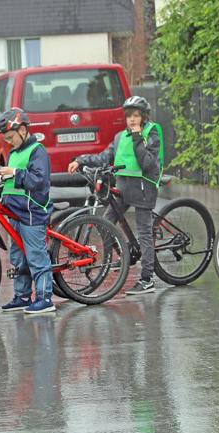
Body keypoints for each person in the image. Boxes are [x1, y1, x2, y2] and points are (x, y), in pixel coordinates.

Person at [67, 95, 162, 294]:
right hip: (124, 187)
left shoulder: (151, 134)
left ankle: (147, 279)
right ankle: (124, 255)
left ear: (144, 117)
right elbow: (104, 157)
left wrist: (138, 139)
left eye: (136, 116)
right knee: (106, 223)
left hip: (144, 188)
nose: (132, 120)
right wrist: (81, 160)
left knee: (144, 232)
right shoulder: (120, 137)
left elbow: (147, 163)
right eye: (129, 116)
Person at [0, 107, 54, 314]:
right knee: (18, 257)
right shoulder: (13, 153)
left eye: (11, 137)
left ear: (23, 130)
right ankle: (22, 296)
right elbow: (12, 181)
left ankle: (45, 298)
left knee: (36, 256)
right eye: (7, 138)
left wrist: (15, 172)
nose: (9, 142)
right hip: (16, 213)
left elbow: (38, 180)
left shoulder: (37, 151)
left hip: (32, 212)